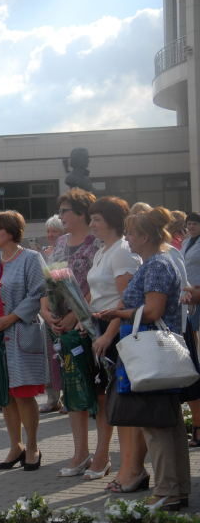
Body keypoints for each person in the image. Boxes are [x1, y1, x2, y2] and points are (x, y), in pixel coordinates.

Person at [95, 208, 189, 510]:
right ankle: (176, 490)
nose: (128, 239)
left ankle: (166, 493)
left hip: (153, 356)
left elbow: (153, 311)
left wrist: (118, 313)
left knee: (157, 425)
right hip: (157, 356)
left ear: (145, 236)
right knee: (169, 424)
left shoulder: (158, 264)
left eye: (131, 233)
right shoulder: (157, 261)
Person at [0, 210, 47, 471]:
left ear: (11, 232)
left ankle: (33, 446)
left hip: (21, 333)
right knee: (5, 396)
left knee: (23, 393)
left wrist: (12, 318)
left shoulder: (31, 258)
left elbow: (38, 294)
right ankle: (15, 445)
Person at [43, 188, 101, 474]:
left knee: (98, 391)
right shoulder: (61, 242)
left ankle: (102, 455)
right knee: (73, 390)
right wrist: (48, 313)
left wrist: (77, 314)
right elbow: (49, 281)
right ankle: (80, 454)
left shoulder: (98, 243)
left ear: (82, 213)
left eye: (65, 211)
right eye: (61, 211)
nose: (61, 216)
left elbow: (100, 287)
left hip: (91, 326)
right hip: (63, 328)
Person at [84, 197, 140, 485]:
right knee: (105, 398)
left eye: (97, 219)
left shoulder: (122, 252)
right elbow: (96, 294)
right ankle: (107, 458)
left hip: (118, 329)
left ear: (113, 222)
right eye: (91, 219)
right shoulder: (101, 251)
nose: (91, 224)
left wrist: (108, 333)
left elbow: (126, 300)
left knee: (121, 401)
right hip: (100, 326)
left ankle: (130, 466)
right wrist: (85, 318)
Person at [40, 214, 66, 413]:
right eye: (48, 231)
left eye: (54, 231)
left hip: (65, 310)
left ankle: (67, 396)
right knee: (50, 357)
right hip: (48, 312)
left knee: (64, 355)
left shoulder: (66, 251)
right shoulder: (42, 253)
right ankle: (52, 398)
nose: (50, 235)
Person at [181, 211, 200, 447]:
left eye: (196, 224)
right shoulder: (185, 242)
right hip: (189, 295)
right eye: (190, 224)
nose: (192, 227)